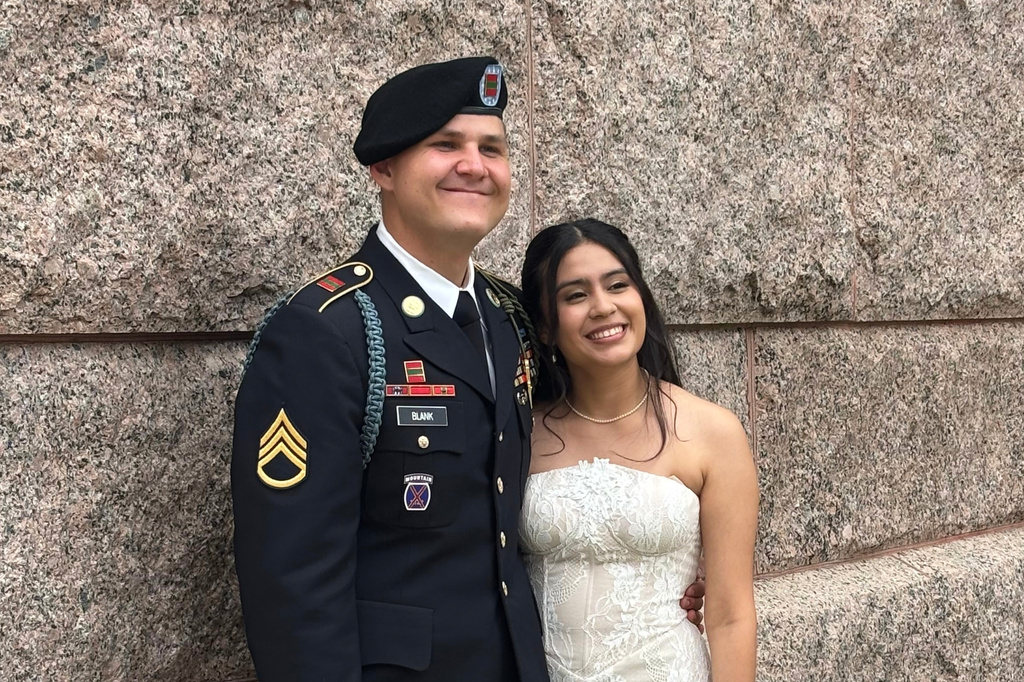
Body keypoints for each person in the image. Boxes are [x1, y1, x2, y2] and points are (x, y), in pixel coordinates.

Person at [231, 58, 704, 682]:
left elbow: (584, 429)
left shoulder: (512, 319)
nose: (475, 165)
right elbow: (292, 585)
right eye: (446, 145)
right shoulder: (326, 330)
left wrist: (660, 555)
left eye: (492, 148)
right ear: (383, 168)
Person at [519, 218, 758, 682]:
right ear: (545, 326)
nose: (603, 306)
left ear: (641, 298)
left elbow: (731, 616)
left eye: (617, 285)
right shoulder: (520, 432)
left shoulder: (712, 432)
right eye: (575, 295)